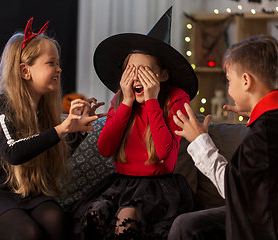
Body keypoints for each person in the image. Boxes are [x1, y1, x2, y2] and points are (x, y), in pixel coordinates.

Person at [0, 18, 104, 240]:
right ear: (25, 71)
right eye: (51, 63)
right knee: (29, 232)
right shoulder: (2, 105)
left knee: (57, 219)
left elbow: (50, 153)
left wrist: (77, 131)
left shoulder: (44, 109)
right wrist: (60, 129)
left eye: (58, 63)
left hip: (26, 191)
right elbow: (13, 153)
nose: (59, 68)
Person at [169, 35, 278, 239]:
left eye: (230, 81)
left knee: (184, 227)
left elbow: (233, 190)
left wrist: (199, 141)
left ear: (246, 81)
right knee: (186, 225)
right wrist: (255, 110)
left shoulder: (263, 136)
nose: (229, 89)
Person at [70, 7, 200, 240]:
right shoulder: (122, 99)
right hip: (122, 184)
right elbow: (105, 148)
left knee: (127, 217)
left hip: (158, 188)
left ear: (163, 75)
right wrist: (127, 102)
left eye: (146, 71)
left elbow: (164, 153)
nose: (138, 78)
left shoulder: (176, 99)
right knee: (94, 214)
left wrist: (151, 101)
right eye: (131, 71)